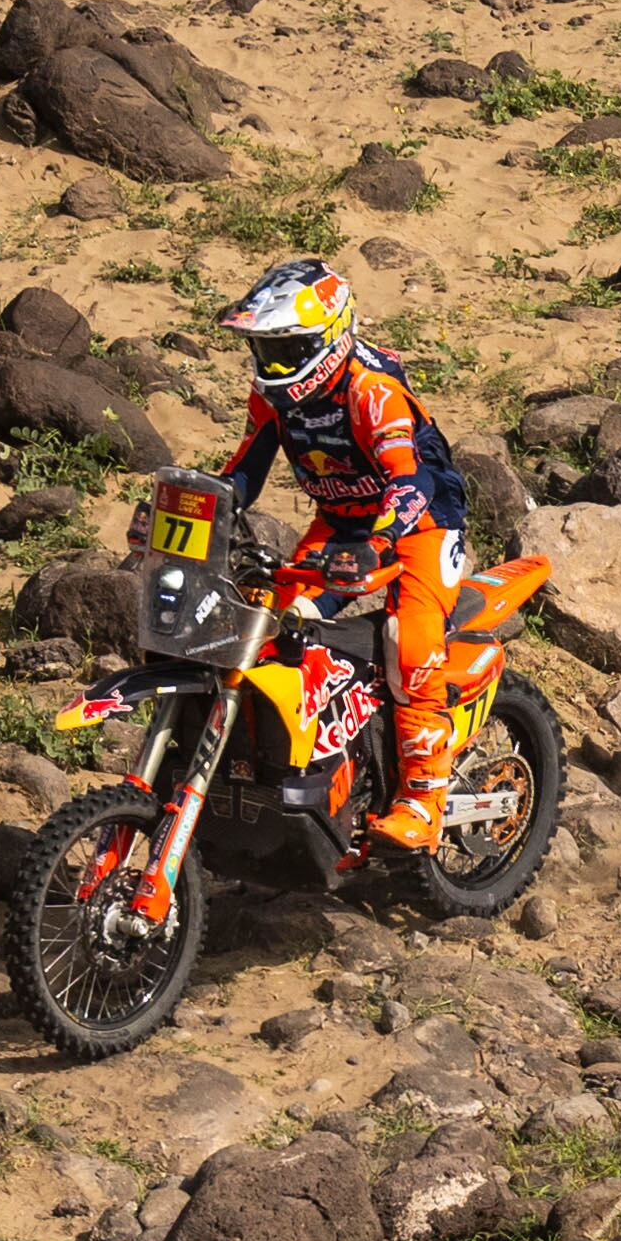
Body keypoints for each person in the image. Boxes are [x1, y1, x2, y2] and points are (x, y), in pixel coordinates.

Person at [209, 257, 466, 848]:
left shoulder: (371, 391)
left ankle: (423, 801)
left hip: (420, 525)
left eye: (286, 351)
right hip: (340, 521)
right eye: (264, 351)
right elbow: (243, 473)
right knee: (267, 627)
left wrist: (378, 543)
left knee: (412, 644)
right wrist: (192, 509)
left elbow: (412, 480)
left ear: (328, 339)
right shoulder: (274, 398)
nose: (271, 366)